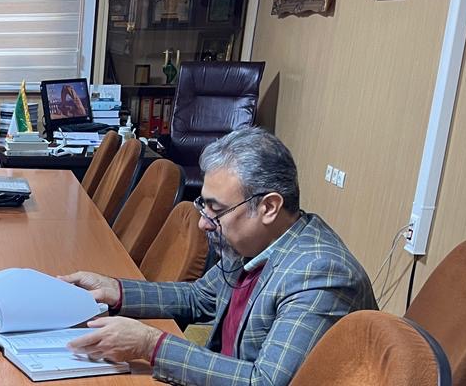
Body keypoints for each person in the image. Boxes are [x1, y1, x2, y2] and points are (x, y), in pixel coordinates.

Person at [61, 127, 376, 386]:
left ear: (268, 207)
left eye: (217, 210)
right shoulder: (256, 240)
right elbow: (199, 297)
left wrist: (150, 344)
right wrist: (116, 291)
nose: (203, 223)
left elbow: (264, 382)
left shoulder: (320, 273)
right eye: (204, 205)